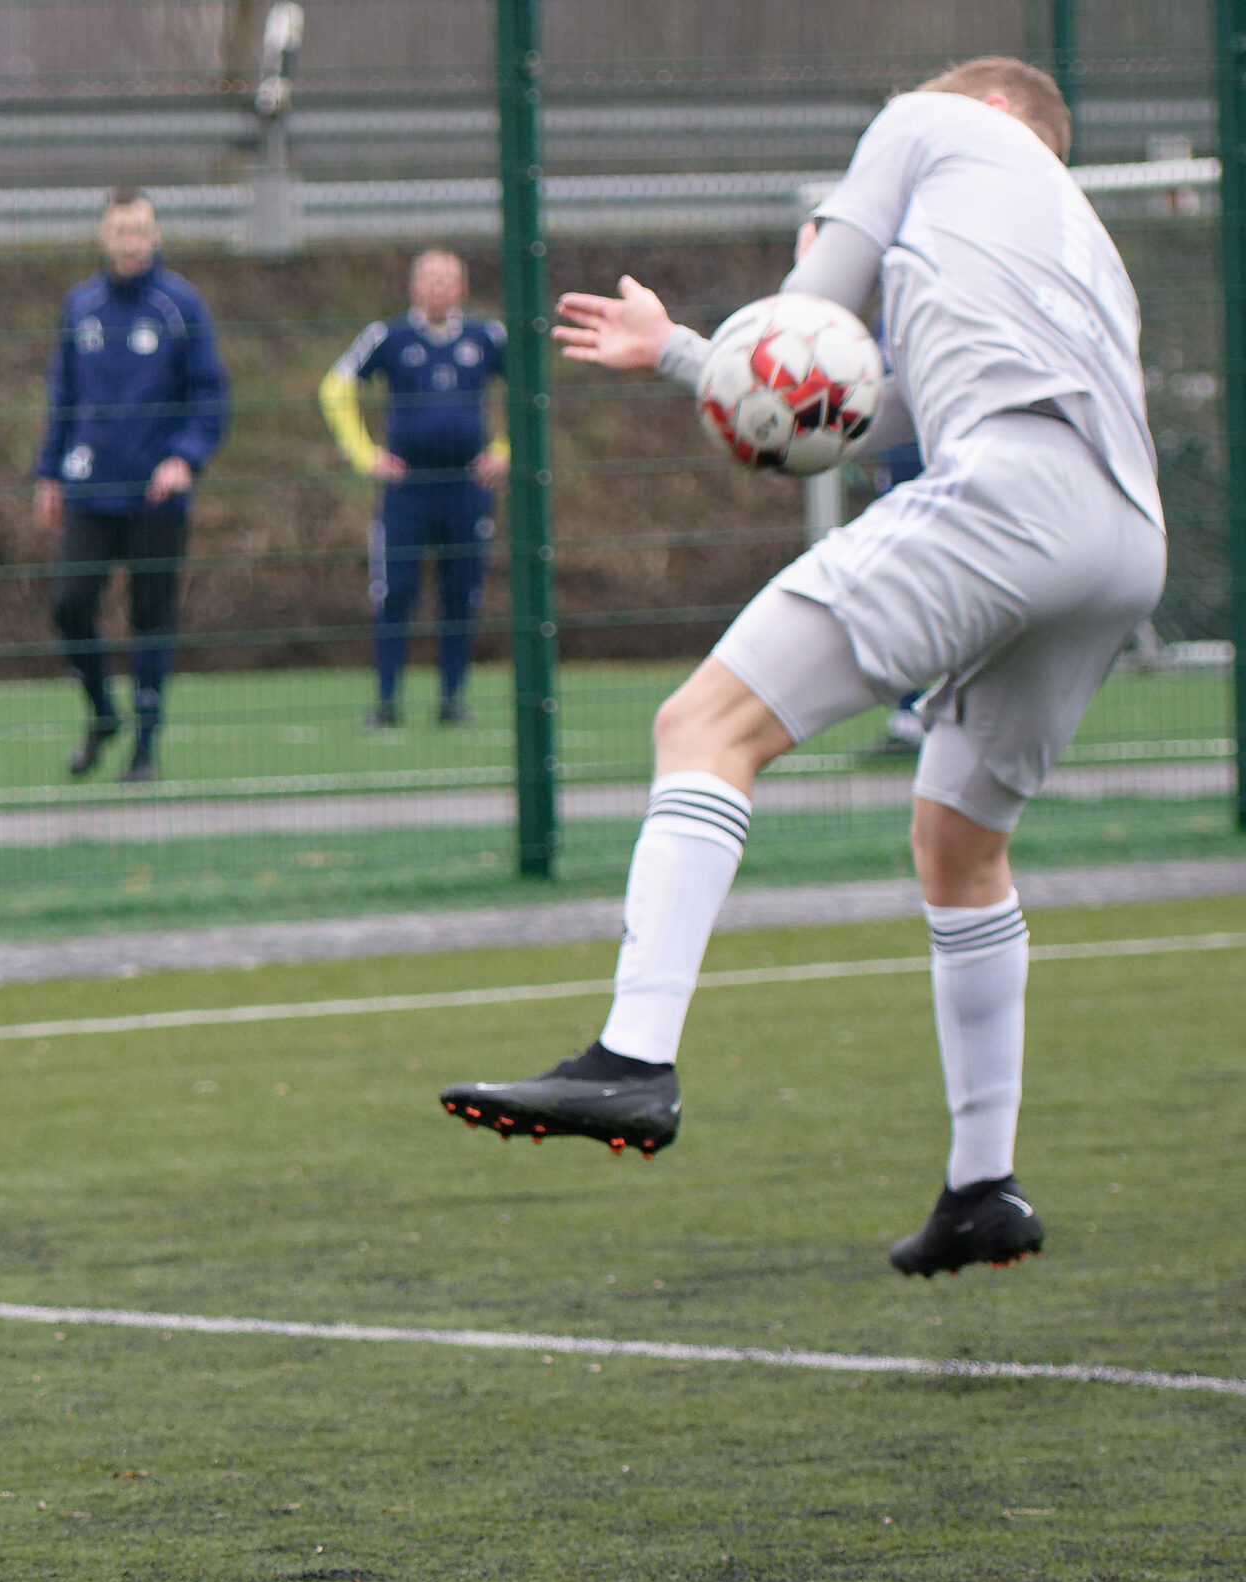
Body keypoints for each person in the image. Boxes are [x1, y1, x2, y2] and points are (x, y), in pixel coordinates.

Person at [438, 57, 1163, 1278]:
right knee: (958, 838)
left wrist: (745, 335)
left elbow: (804, 327)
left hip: (1007, 491)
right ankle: (981, 1187)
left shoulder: (931, 124)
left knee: (706, 724)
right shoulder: (1077, 245)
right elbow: (865, 408)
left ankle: (632, 1059)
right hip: (1121, 538)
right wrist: (681, 350)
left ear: (982, 109)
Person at [33, 187, 230, 782]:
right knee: (70, 605)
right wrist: (49, 473)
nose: (130, 242)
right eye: (119, 231)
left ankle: (146, 746)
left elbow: (210, 396)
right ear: (104, 237)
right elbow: (62, 397)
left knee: (151, 617)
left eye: (140, 230)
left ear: (156, 236)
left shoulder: (181, 306)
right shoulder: (81, 306)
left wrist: (184, 459)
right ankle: (101, 713)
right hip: (90, 487)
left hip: (155, 493)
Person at [319, 249, 508, 728]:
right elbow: (335, 388)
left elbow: (534, 390)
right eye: (430, 279)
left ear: (463, 288)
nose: (440, 288)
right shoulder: (389, 336)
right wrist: (365, 455)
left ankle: (452, 700)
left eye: (449, 279)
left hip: (467, 485)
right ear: (414, 287)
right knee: (395, 593)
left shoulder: (487, 336)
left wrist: (506, 451)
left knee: (461, 593)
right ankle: (385, 702)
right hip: (407, 487)